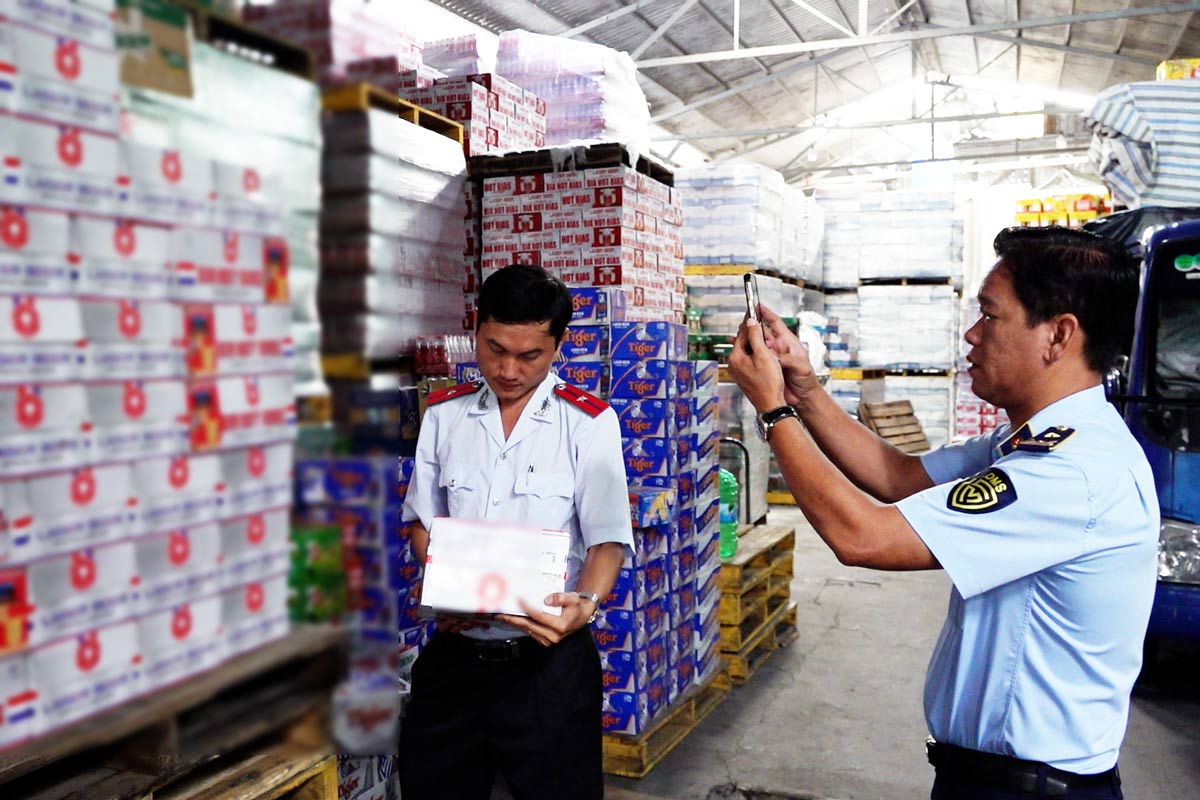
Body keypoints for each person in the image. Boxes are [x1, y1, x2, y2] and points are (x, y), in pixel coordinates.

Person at [728, 226, 1158, 800]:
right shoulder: (1029, 442)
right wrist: (803, 389)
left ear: (1057, 335)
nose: (972, 334)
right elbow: (897, 477)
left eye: (990, 316)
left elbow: (864, 537)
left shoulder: (1071, 471)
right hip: (988, 779)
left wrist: (774, 411)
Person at [399, 264, 632, 800]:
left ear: (557, 346)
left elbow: (607, 542)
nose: (507, 369)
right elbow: (419, 524)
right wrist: (447, 584)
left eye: (529, 355)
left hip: (546, 668)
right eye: (494, 348)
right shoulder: (444, 415)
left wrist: (587, 605)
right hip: (456, 658)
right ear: (476, 329)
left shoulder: (589, 423)